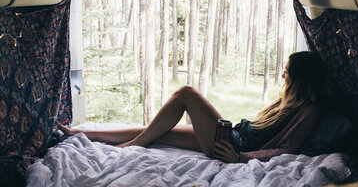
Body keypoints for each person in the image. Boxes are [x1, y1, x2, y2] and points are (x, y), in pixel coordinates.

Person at [59, 51, 328, 163]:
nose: (283, 76)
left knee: (186, 93)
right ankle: (85, 135)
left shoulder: (309, 109)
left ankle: (131, 146)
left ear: (302, 79)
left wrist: (240, 159)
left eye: (287, 72)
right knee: (156, 132)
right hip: (232, 135)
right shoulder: (290, 100)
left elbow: (287, 149)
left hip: (234, 146)